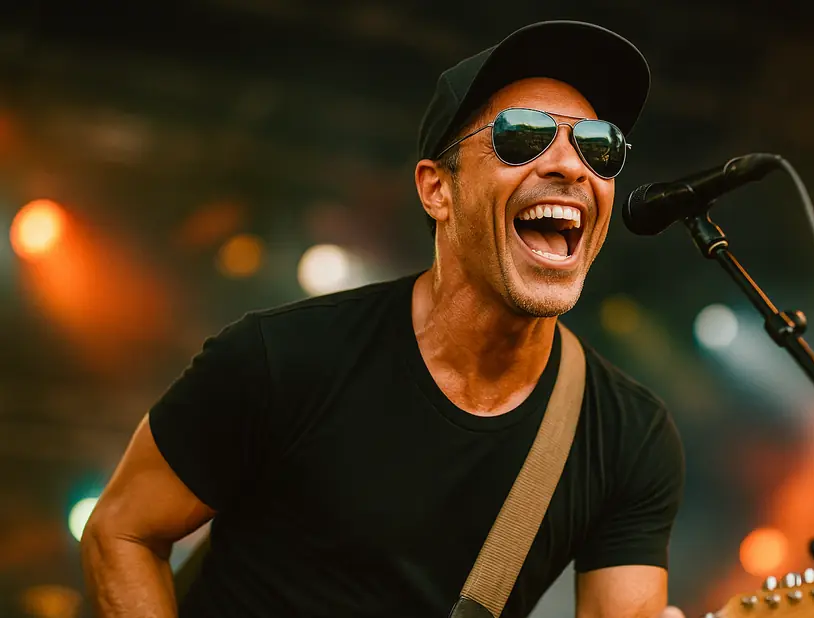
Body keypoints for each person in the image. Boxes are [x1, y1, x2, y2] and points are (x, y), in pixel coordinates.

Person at [80, 20, 686, 618]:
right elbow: (121, 532)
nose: (573, 168)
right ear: (436, 191)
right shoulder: (282, 357)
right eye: (523, 136)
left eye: (598, 146)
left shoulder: (628, 436)